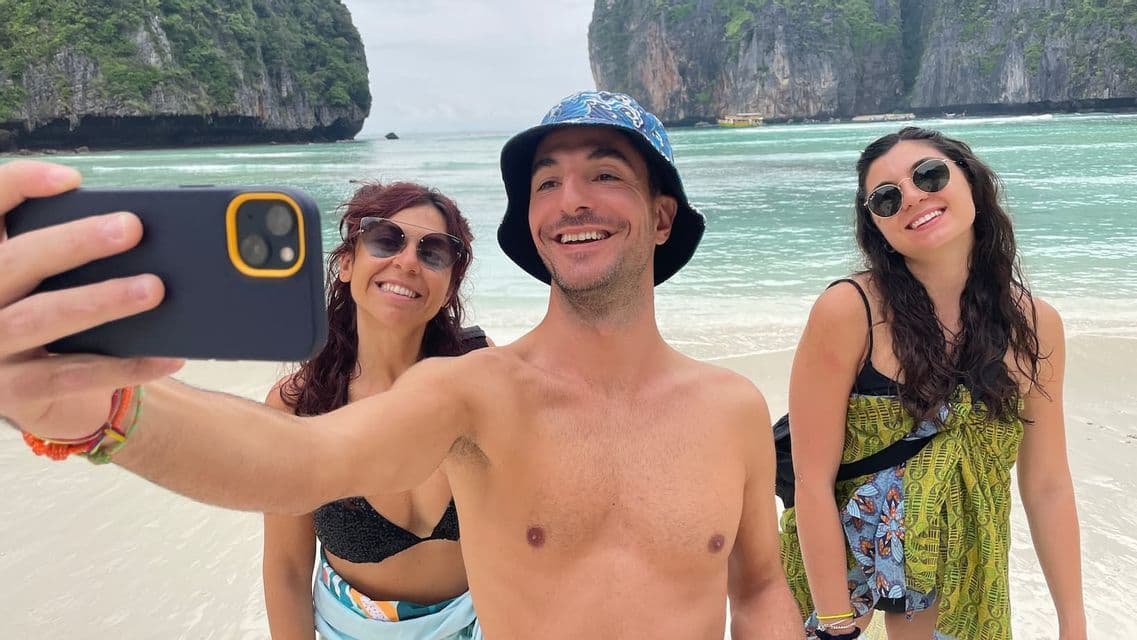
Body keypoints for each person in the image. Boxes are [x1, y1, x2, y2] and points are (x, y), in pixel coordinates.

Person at [0, 91, 801, 639]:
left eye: (604, 173)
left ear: (661, 216)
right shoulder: (474, 392)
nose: (570, 199)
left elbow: (759, 586)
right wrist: (105, 412)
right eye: (546, 181)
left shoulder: (729, 407)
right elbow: (300, 458)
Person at [779, 127, 1086, 639]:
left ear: (971, 181)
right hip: (848, 583)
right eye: (886, 198)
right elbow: (813, 482)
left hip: (966, 577)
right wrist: (835, 623)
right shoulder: (850, 311)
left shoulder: (1034, 325)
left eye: (929, 174)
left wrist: (1073, 625)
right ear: (876, 226)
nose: (913, 197)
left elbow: (1048, 485)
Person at [262, 181, 488, 640]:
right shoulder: (300, 406)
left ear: (449, 287)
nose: (407, 261)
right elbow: (286, 567)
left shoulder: (481, 377)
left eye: (434, 252)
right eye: (386, 239)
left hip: (487, 622)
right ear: (347, 263)